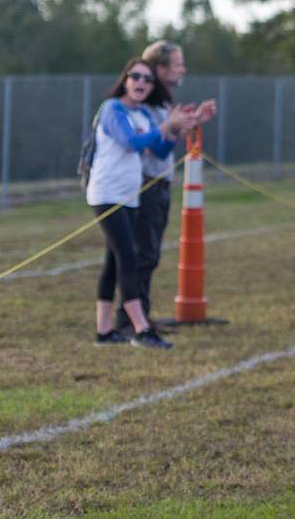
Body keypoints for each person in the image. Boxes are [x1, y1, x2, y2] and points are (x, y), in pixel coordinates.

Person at [87, 59, 194, 349]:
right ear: (125, 80)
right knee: (128, 257)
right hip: (107, 194)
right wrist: (165, 126)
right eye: (135, 76)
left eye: (147, 79)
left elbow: (158, 150)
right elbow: (131, 142)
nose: (141, 83)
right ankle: (141, 329)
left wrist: (177, 129)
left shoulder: (144, 113)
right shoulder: (113, 109)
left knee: (113, 262)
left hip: (129, 195)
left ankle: (105, 331)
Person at [124, 40, 215, 331]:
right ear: (160, 68)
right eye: (177, 64)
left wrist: (188, 123)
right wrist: (174, 128)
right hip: (145, 185)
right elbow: (155, 149)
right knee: (142, 254)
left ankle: (142, 316)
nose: (182, 69)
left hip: (158, 183)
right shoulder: (147, 103)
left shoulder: (162, 101)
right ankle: (131, 320)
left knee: (149, 254)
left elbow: (164, 144)